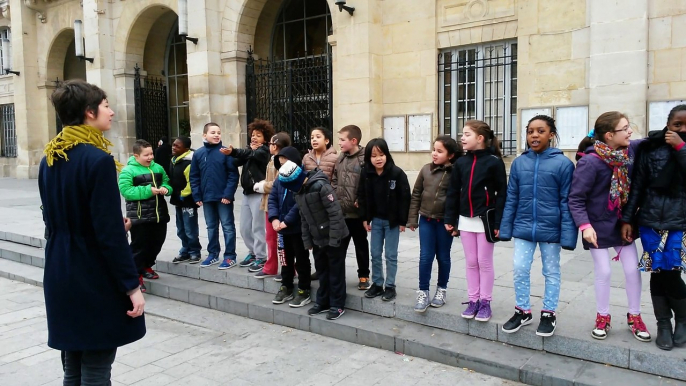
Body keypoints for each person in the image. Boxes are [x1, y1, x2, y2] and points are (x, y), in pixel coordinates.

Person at [39, 79, 145, 384]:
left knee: (73, 367)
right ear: (89, 112)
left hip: (60, 268)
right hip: (92, 273)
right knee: (97, 369)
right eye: (106, 105)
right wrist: (131, 286)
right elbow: (108, 235)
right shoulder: (98, 161)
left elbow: (54, 219)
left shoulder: (50, 158)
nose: (111, 112)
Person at [568, 112, 650, 342]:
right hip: (596, 227)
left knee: (632, 270)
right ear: (609, 135)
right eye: (625, 128)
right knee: (603, 271)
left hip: (622, 225)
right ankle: (602, 316)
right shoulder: (590, 162)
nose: (630, 131)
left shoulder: (628, 152)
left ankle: (635, 315)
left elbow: (651, 140)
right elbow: (575, 198)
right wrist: (584, 226)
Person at [499, 115, 577, 337]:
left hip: (551, 229)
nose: (534, 135)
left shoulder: (563, 164)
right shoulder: (519, 163)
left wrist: (568, 236)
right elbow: (512, 197)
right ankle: (522, 311)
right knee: (520, 268)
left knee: (551, 271)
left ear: (551, 134)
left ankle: (548, 313)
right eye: (530, 131)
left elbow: (567, 200)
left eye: (540, 131)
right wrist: (506, 228)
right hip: (523, 227)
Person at [621, 104, 686, 350]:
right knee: (658, 272)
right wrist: (628, 219)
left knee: (671, 271)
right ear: (667, 124)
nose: (681, 129)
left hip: (680, 222)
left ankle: (681, 319)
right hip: (649, 221)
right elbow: (636, 186)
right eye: (677, 124)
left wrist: (680, 146)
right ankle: (664, 325)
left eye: (685, 125)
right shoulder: (650, 148)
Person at [444, 120, 507, 322]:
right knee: (471, 261)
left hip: (485, 220)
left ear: (480, 138)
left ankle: (485, 302)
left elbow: (502, 193)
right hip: (465, 219)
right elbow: (453, 192)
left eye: (467, 134)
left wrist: (498, 222)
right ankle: (473, 300)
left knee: (484, 261)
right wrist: (450, 218)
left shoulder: (494, 162)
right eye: (462, 134)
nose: (462, 138)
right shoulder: (461, 163)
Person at [277, 149, 350, 320]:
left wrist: (334, 240)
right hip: (318, 237)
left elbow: (335, 214)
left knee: (335, 271)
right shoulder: (299, 192)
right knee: (322, 270)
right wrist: (307, 240)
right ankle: (323, 301)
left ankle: (337, 304)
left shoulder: (321, 186)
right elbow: (304, 218)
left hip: (335, 236)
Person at [408, 135, 462, 312]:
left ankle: (441, 289)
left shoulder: (455, 173)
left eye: (440, 151)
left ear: (451, 155)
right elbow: (416, 194)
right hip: (426, 220)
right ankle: (423, 291)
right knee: (426, 256)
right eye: (434, 149)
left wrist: (455, 223)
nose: (434, 154)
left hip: (445, 223)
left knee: (443, 257)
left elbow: (458, 199)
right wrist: (412, 219)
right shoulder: (425, 170)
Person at [358, 138, 411, 302]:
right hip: (375, 220)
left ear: (387, 154)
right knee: (375, 253)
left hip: (392, 221)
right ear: (369, 158)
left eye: (381, 154)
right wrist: (365, 217)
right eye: (374, 156)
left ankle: (390, 286)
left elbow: (405, 198)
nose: (378, 159)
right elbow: (362, 196)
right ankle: (377, 284)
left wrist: (403, 221)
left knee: (390, 255)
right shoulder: (366, 173)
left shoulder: (397, 173)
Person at [118, 139, 173, 291]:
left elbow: (168, 183)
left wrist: (165, 189)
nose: (150, 158)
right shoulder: (128, 171)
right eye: (146, 155)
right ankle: (134, 275)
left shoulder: (158, 168)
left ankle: (146, 266)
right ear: (136, 156)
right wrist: (149, 190)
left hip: (159, 214)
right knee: (139, 246)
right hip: (139, 216)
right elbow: (126, 191)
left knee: (156, 243)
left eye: (151, 154)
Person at [221, 119, 274, 271]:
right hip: (246, 193)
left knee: (258, 227)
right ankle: (252, 252)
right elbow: (236, 161)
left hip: (259, 193)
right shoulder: (250, 150)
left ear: (265, 138)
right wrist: (236, 154)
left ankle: (261, 257)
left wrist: (236, 151)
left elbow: (252, 155)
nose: (254, 137)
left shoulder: (264, 151)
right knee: (245, 228)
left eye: (258, 135)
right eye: (253, 135)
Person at [190, 123, 240, 269]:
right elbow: (194, 176)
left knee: (228, 226)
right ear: (204, 135)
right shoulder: (198, 154)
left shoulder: (225, 152)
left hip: (223, 197)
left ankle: (230, 256)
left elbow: (233, 175)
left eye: (218, 132)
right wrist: (197, 196)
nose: (217, 135)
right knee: (211, 227)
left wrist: (228, 194)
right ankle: (213, 254)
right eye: (213, 132)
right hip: (207, 197)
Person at [270, 147, 312, 306]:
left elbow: (299, 203)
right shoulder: (279, 179)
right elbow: (273, 198)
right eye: (280, 164)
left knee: (301, 259)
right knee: (285, 259)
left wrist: (286, 221)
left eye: (286, 162)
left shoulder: (302, 178)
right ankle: (286, 286)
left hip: (296, 227)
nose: (283, 167)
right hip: (281, 227)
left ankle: (303, 289)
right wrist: (274, 218)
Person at [332, 125, 371, 290]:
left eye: (342, 140)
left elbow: (369, 183)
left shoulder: (364, 159)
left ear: (353, 141)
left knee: (361, 246)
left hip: (356, 214)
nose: (339, 143)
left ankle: (363, 275)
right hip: (341, 212)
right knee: (339, 247)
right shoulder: (340, 158)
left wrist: (361, 201)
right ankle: (337, 275)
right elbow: (334, 179)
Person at [254, 132, 292, 280]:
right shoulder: (272, 160)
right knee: (270, 238)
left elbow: (278, 182)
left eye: (270, 143)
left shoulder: (282, 161)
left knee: (282, 240)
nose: (269, 146)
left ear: (275, 145)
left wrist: (262, 186)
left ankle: (288, 267)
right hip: (269, 205)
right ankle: (271, 267)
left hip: (278, 205)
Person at [169, 136, 202, 264]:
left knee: (190, 228)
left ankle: (195, 251)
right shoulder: (173, 160)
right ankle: (185, 250)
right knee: (181, 228)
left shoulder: (189, 162)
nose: (174, 147)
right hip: (178, 200)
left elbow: (192, 181)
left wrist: (184, 193)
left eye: (177, 146)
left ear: (186, 149)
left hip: (187, 201)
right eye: (173, 145)